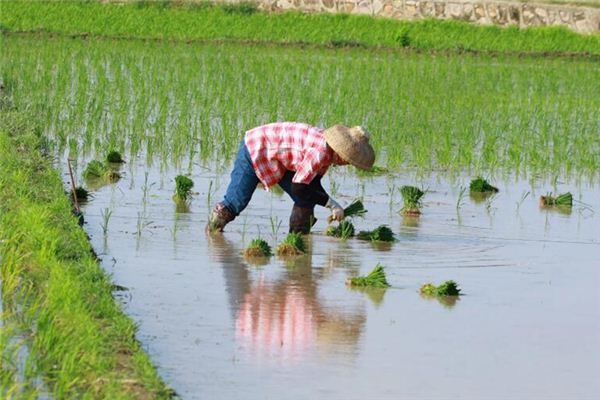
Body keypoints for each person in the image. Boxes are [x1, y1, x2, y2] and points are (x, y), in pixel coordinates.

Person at [207, 122, 375, 233]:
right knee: (236, 201)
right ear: (343, 155)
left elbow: (311, 184)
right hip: (256, 148)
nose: (348, 165)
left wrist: (332, 205)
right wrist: (332, 204)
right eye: (350, 161)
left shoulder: (328, 153)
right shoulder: (321, 152)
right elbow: (300, 186)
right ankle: (213, 232)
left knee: (306, 199)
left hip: (280, 160)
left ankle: (297, 239)